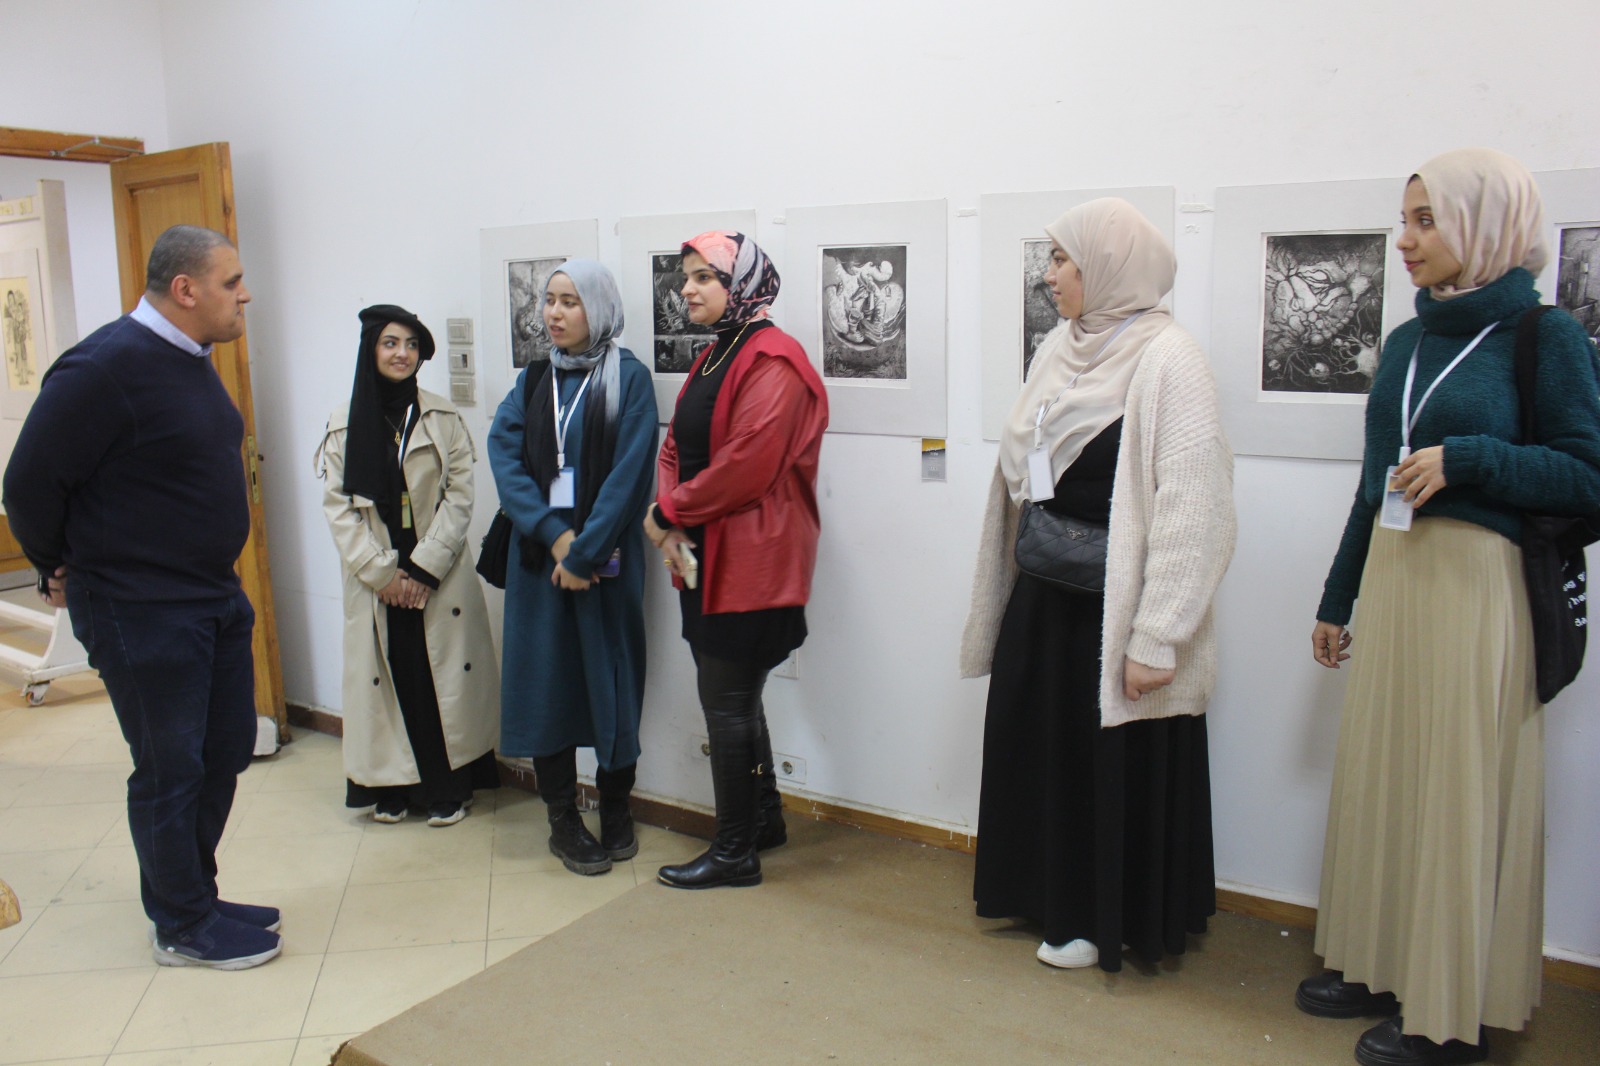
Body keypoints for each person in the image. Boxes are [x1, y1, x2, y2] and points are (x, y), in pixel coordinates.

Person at [1300, 149, 1600, 1066]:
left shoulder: (1544, 336)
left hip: (1479, 594)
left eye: (1427, 220)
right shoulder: (1405, 343)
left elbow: (1588, 475)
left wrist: (1471, 459)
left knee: (1456, 794)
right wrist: (1339, 596)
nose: (1406, 239)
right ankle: (1379, 961)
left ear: (1483, 223)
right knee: (1388, 778)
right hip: (1399, 582)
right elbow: (1372, 487)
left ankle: (1448, 1012)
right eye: (1406, 219)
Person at [960, 198, 1236, 972]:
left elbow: (1196, 511)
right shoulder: (1062, 346)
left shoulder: (1170, 359)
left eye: (1062, 260)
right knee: (1041, 753)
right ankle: (1044, 895)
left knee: (1102, 764)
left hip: (1114, 609)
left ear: (1109, 267)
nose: (1049, 275)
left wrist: (1158, 636)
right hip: (1046, 589)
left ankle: (1097, 916)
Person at [1, 225, 281, 970]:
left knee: (224, 749)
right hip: (141, 608)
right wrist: (56, 564)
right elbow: (27, 485)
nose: (245, 295)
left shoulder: (190, 358)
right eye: (231, 282)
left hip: (209, 596)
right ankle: (181, 925)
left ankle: (196, 894)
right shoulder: (103, 368)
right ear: (185, 289)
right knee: (170, 768)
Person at [644, 231, 828, 889]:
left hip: (753, 561)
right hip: (706, 552)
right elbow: (675, 447)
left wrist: (668, 512)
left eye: (704, 277)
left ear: (741, 284)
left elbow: (748, 465)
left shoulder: (775, 360)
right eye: (685, 276)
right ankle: (763, 820)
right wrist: (671, 516)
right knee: (736, 700)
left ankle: (733, 851)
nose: (687, 288)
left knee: (727, 703)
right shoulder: (715, 354)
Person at [489, 261, 658, 875]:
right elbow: (505, 457)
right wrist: (558, 538)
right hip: (541, 563)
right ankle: (562, 817)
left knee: (612, 681)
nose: (554, 314)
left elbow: (631, 476)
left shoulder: (629, 379)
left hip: (605, 564)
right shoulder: (535, 379)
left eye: (570, 302)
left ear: (600, 308)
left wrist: (584, 552)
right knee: (546, 686)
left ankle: (615, 807)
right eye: (550, 300)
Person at [316, 304, 500, 828]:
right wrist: (382, 574)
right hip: (377, 579)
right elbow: (338, 509)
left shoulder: (442, 418)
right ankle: (391, 787)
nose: (403, 354)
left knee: (434, 679)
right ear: (371, 350)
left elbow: (460, 497)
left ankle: (447, 788)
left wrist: (422, 570)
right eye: (391, 343)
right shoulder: (343, 424)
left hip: (434, 575)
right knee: (386, 680)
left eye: (412, 345)